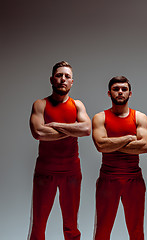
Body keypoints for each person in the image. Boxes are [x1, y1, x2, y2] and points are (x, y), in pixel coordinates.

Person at [28, 61, 91, 240]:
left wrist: (55, 126)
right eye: (59, 75)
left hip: (71, 172)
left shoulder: (77, 105)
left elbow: (86, 129)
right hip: (44, 171)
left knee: (71, 225)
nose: (63, 79)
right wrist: (72, 129)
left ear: (72, 82)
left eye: (67, 76)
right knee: (38, 224)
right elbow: (38, 132)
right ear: (51, 79)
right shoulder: (40, 104)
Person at [92, 76, 147, 240]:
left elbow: (144, 147)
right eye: (116, 89)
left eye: (124, 89)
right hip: (108, 179)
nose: (120, 92)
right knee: (102, 230)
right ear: (109, 93)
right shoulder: (100, 118)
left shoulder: (139, 117)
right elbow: (101, 146)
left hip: (134, 180)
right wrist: (128, 138)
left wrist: (112, 143)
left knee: (137, 230)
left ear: (130, 93)